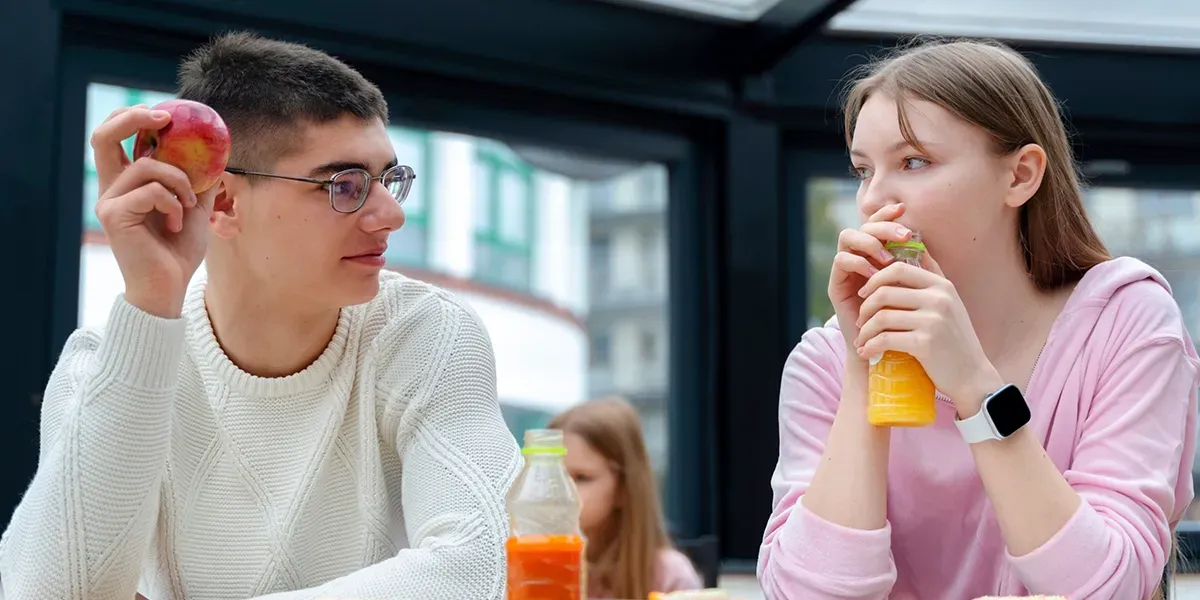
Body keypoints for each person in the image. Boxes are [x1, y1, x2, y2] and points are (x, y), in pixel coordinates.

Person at [0, 31, 520, 600]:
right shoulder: (104, 362)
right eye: (345, 185)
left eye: (389, 179)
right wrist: (151, 300)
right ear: (222, 202)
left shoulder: (425, 334)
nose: (391, 215)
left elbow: (482, 567)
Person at [757, 37, 1199, 600]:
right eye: (863, 170)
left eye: (914, 161)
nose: (872, 200)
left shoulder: (1127, 322)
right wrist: (866, 365)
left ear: (1020, 176)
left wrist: (973, 384)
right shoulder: (823, 363)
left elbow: (1106, 587)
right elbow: (806, 594)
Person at [548, 397, 703, 599]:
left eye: (581, 478)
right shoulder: (534, 566)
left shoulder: (669, 575)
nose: (562, 491)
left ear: (624, 487)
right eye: (554, 475)